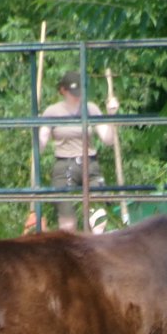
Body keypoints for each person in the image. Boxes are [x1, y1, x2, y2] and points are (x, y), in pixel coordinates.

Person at [38, 70, 119, 232]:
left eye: (80, 91)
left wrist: (111, 116)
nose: (77, 96)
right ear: (63, 90)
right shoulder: (52, 112)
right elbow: (39, 146)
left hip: (90, 163)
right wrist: (36, 127)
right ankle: (70, 246)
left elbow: (108, 140)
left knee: (98, 218)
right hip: (64, 165)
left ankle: (95, 243)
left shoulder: (91, 108)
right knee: (68, 224)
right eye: (73, 92)